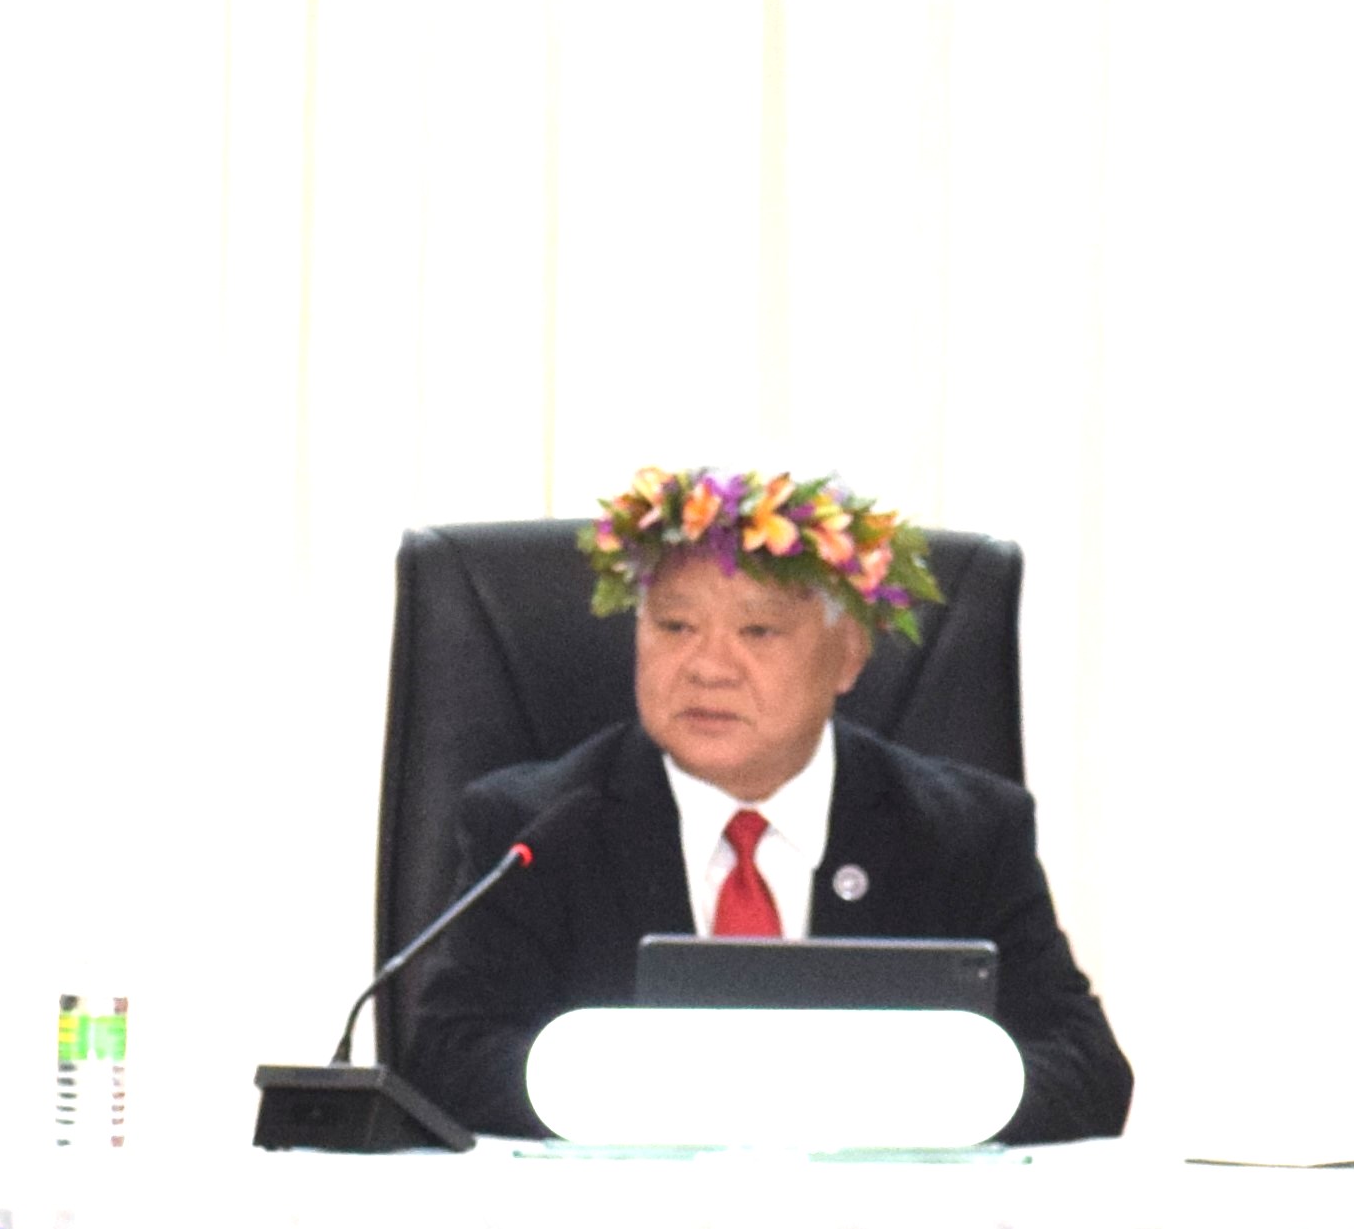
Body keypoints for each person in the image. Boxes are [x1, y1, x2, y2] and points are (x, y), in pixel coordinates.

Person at [395, 470, 1131, 1143]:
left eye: (758, 631)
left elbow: (1088, 1072)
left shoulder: (961, 833)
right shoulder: (538, 830)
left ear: (848, 657)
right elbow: (447, 1061)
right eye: (674, 626)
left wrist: (859, 1099)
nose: (708, 667)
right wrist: (688, 1097)